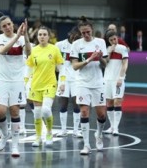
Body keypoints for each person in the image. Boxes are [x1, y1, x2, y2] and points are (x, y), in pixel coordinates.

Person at [0, 13, 31, 157]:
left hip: (17, 81)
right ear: (0, 28)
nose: (8, 27)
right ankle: (4, 134)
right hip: (2, 81)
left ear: (13, 24)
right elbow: (2, 51)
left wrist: (25, 35)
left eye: (9, 24)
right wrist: (17, 37)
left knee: (15, 112)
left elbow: (29, 53)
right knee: (1, 112)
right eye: (4, 26)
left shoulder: (22, 39)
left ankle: (15, 145)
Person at [70, 16, 108, 155]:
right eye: (83, 33)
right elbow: (74, 66)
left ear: (92, 30)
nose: (86, 35)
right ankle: (86, 145)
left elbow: (105, 64)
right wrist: (89, 59)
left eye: (88, 32)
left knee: (102, 114)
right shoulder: (76, 45)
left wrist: (99, 59)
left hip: (98, 83)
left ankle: (98, 134)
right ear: (80, 33)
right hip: (82, 83)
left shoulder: (101, 42)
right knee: (84, 112)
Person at [26, 26, 64, 147]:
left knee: (46, 110)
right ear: (37, 37)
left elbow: (61, 68)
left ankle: (49, 132)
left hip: (50, 83)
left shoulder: (54, 49)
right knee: (37, 113)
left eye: (44, 34)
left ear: (48, 36)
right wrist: (25, 82)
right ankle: (38, 137)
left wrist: (62, 82)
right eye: (40, 35)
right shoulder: (33, 50)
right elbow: (29, 68)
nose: (42, 36)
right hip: (36, 85)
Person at [55, 26, 83, 138]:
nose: (75, 38)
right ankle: (63, 130)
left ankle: (76, 130)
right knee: (63, 104)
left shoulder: (81, 46)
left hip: (76, 79)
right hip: (63, 79)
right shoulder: (59, 45)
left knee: (77, 104)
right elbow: (56, 62)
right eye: (74, 35)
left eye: (78, 36)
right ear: (70, 34)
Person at [103, 30, 128, 135]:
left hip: (117, 80)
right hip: (107, 79)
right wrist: (109, 51)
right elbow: (105, 63)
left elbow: (125, 64)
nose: (114, 41)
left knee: (117, 102)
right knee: (109, 103)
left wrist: (121, 78)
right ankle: (112, 126)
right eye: (111, 40)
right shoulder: (105, 49)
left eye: (115, 38)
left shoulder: (122, 48)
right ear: (108, 41)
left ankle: (116, 128)